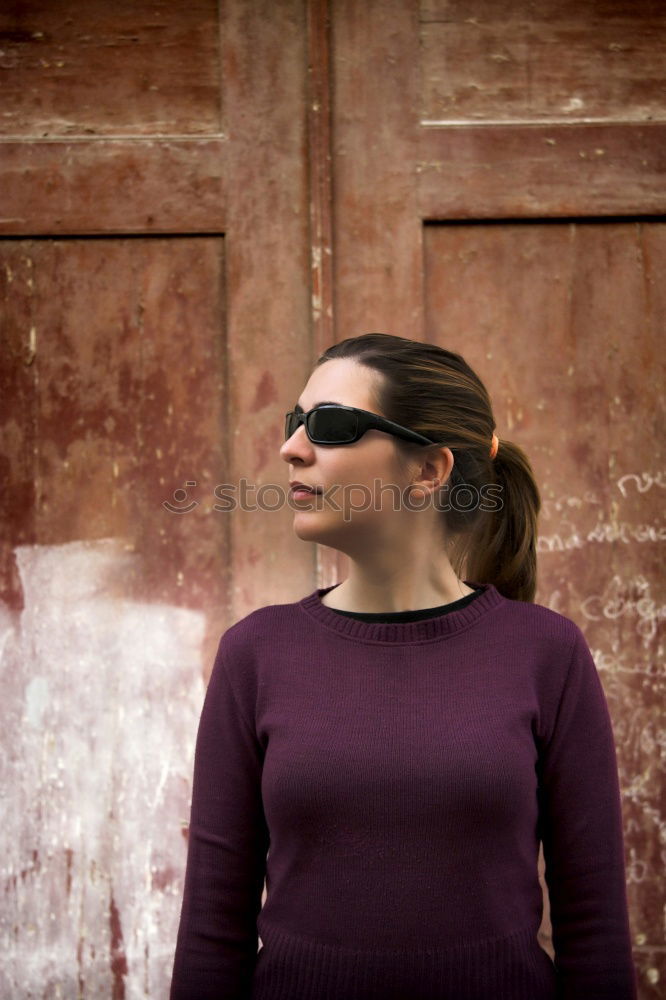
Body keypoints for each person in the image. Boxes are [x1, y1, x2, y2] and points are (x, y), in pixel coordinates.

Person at [169, 333, 638, 999]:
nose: (292, 447)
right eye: (295, 422)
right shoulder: (255, 654)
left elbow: (594, 931)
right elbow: (213, 933)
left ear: (429, 471)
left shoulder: (547, 653)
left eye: (330, 426)